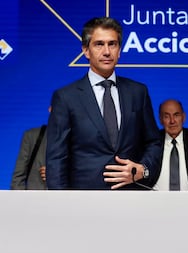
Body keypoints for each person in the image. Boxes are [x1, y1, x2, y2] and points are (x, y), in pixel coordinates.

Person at [46, 16, 161, 189]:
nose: (107, 51)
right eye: (99, 44)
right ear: (86, 50)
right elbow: (56, 159)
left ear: (119, 50)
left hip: (132, 201)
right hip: (83, 203)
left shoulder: (138, 92)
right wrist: (63, 206)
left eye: (112, 44)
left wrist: (143, 170)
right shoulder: (65, 97)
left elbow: (154, 142)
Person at [11, 124, 47, 190]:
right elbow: (18, 180)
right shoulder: (32, 136)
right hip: (35, 198)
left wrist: (56, 173)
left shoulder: (71, 138)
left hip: (67, 198)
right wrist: (19, 199)